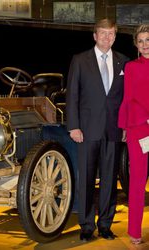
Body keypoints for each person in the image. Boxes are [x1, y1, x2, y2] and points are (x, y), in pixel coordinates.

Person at [66, 18, 129, 242]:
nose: (107, 37)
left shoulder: (124, 61)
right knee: (87, 179)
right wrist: (73, 125)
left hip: (113, 130)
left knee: (110, 180)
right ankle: (86, 225)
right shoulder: (80, 60)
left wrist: (125, 125)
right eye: (102, 33)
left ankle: (105, 225)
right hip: (86, 130)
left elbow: (126, 100)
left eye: (111, 33)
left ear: (115, 36)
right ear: (95, 36)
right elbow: (72, 95)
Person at [118, 24, 149, 245]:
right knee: (137, 181)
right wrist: (126, 128)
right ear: (136, 45)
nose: (145, 45)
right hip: (139, 129)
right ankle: (134, 231)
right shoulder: (131, 67)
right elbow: (128, 99)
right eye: (141, 41)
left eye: (148, 40)